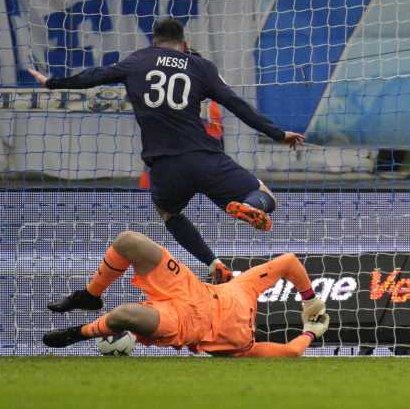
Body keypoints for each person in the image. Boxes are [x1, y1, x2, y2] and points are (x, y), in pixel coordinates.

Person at [28, 18, 305, 283]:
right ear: (184, 43)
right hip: (204, 157)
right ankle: (250, 206)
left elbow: (94, 76)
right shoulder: (199, 66)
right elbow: (236, 104)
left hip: (164, 167)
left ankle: (213, 264)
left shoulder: (137, 60)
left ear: (154, 41)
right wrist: (278, 134)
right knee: (265, 196)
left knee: (169, 214)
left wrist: (52, 83)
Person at [43, 230, 329, 357]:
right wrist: (310, 300)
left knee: (123, 315)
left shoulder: (243, 348)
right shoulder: (244, 286)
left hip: (185, 323)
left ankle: (78, 333)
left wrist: (311, 332)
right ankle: (90, 295)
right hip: (189, 287)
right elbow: (289, 262)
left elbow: (291, 352)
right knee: (129, 241)